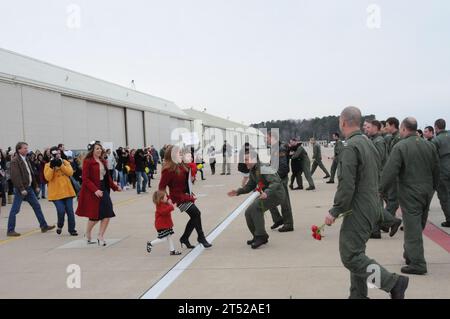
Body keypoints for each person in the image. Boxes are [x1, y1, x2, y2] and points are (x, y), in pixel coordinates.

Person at [324, 106, 408, 299]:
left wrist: (335, 210)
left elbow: (347, 185)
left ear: (343, 122)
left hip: (359, 208)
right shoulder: (368, 142)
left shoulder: (350, 147)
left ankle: (393, 282)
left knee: (351, 256)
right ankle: (358, 295)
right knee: (357, 252)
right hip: (371, 204)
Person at [381, 117, 439, 275]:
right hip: (427, 191)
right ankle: (410, 254)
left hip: (410, 191)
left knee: (413, 227)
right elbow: (436, 169)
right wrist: (433, 187)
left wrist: (379, 189)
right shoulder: (429, 145)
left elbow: (390, 171)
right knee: (418, 224)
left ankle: (418, 263)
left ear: (404, 129)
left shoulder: (401, 146)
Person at [227, 149, 285, 249]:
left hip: (276, 194)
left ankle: (261, 236)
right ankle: (257, 236)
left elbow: (276, 182)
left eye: (247, 159)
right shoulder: (253, 170)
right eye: (244, 159)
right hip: (267, 194)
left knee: (256, 207)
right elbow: (250, 186)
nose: (245, 162)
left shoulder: (264, 167)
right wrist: (238, 191)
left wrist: (267, 193)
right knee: (248, 212)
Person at [159, 145, 212, 249]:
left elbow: (189, 178)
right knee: (196, 213)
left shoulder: (182, 165)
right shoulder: (168, 170)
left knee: (195, 216)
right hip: (178, 198)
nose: (181, 155)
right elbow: (161, 187)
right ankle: (201, 237)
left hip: (186, 195)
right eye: (179, 153)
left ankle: (185, 238)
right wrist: (167, 198)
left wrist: (192, 169)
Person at [76, 141, 121, 246]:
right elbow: (85, 179)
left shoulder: (103, 161)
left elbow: (107, 178)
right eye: (97, 148)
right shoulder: (88, 161)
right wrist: (95, 190)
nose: (99, 150)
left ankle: (100, 236)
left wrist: (115, 187)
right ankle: (87, 233)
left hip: (103, 188)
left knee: (108, 212)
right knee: (95, 216)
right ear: (92, 150)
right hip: (92, 190)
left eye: (100, 148)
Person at [6, 142, 55, 237]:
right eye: (25, 148)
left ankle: (43, 226)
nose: (26, 150)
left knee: (37, 206)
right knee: (15, 210)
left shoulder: (26, 159)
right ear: (19, 149)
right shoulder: (15, 161)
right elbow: (15, 176)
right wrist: (21, 188)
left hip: (29, 188)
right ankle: (10, 230)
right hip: (21, 189)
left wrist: (35, 185)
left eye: (27, 148)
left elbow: (30, 173)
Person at [367, 120, 402, 239]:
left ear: (376, 128)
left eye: (369, 127)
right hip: (377, 175)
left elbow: (379, 159)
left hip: (379, 176)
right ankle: (377, 229)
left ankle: (391, 222)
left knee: (376, 203)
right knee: (377, 203)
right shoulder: (374, 140)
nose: (367, 129)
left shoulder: (379, 141)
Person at [44, 146, 78, 236]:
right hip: (55, 192)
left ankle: (72, 229)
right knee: (61, 211)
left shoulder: (65, 162)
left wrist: (61, 165)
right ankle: (60, 225)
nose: (58, 155)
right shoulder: (47, 165)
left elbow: (70, 173)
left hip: (67, 191)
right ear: (51, 154)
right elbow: (48, 177)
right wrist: (52, 167)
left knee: (70, 211)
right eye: (56, 153)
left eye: (59, 153)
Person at [267, 131, 294, 232]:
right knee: (268, 199)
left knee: (284, 201)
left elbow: (283, 167)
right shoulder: (275, 147)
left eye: (268, 138)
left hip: (280, 179)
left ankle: (288, 224)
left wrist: (275, 178)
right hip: (276, 178)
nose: (266, 140)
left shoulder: (280, 148)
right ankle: (278, 219)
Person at [146, 190, 182, 256]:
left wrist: (170, 204)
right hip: (161, 225)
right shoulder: (159, 205)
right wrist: (171, 206)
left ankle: (172, 251)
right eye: (165, 197)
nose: (167, 198)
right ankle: (151, 243)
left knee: (169, 237)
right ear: (161, 199)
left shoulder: (164, 204)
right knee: (163, 239)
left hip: (166, 224)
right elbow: (164, 212)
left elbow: (167, 208)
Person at [432, 118, 450, 227]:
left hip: (443, 170)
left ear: (436, 127)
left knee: (444, 196)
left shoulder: (436, 140)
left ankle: (449, 219)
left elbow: (432, 158)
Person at [384, 117, 401, 217]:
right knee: (393, 199)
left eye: (387, 125)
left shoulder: (398, 138)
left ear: (393, 125)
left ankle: (387, 222)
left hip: (397, 174)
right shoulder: (393, 137)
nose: (386, 128)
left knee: (393, 199)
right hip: (394, 173)